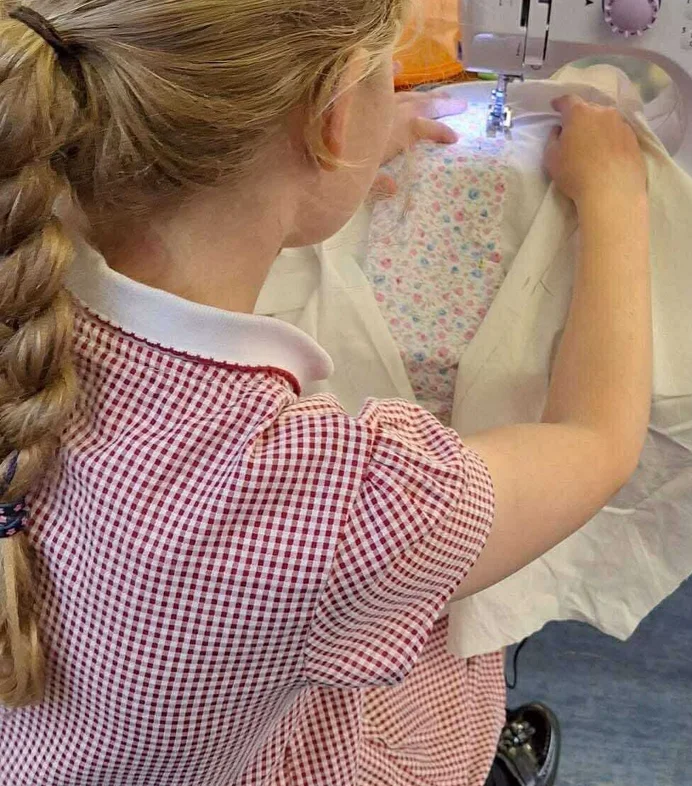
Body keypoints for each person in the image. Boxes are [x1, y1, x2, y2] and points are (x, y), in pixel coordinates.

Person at [0, 1, 650, 784]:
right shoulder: (340, 504)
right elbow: (598, 440)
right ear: (333, 119)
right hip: (275, 762)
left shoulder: (24, 274)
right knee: (440, 645)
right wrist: (617, 198)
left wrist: (327, 156)